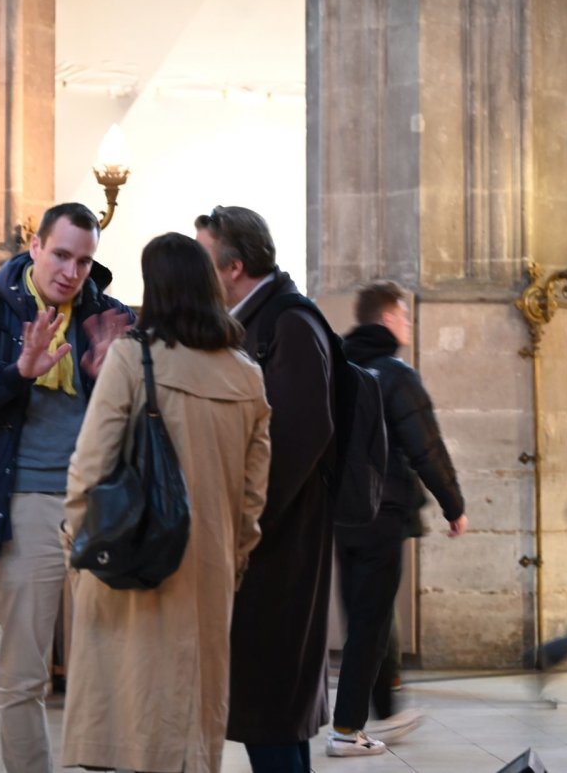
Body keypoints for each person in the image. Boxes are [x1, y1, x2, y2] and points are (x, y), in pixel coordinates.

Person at [0, 202, 133, 773]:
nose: (71, 272)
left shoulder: (110, 319)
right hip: (24, 505)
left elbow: (148, 420)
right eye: (62, 254)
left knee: (110, 664)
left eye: (84, 261)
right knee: (24, 671)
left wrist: (115, 378)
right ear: (36, 247)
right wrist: (16, 371)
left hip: (101, 506)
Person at [59, 232, 271, 773]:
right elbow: (253, 498)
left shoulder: (133, 358)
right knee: (188, 731)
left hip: (129, 565)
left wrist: (76, 548)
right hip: (207, 573)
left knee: (127, 724)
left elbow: (90, 465)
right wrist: (234, 557)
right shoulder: (248, 376)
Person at [195, 205, 335, 773]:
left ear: (232, 268)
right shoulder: (255, 321)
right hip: (259, 540)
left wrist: (246, 524)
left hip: (280, 546)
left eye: (203, 258)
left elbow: (302, 434)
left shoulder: (290, 323)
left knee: (273, 705)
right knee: (264, 705)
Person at [329, 280, 467, 755]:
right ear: (387, 319)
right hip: (381, 514)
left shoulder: (336, 367)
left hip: (339, 517)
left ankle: (383, 711)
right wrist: (455, 505)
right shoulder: (395, 373)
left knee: (367, 617)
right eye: (404, 315)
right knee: (371, 621)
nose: (408, 324)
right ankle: (346, 730)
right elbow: (426, 446)